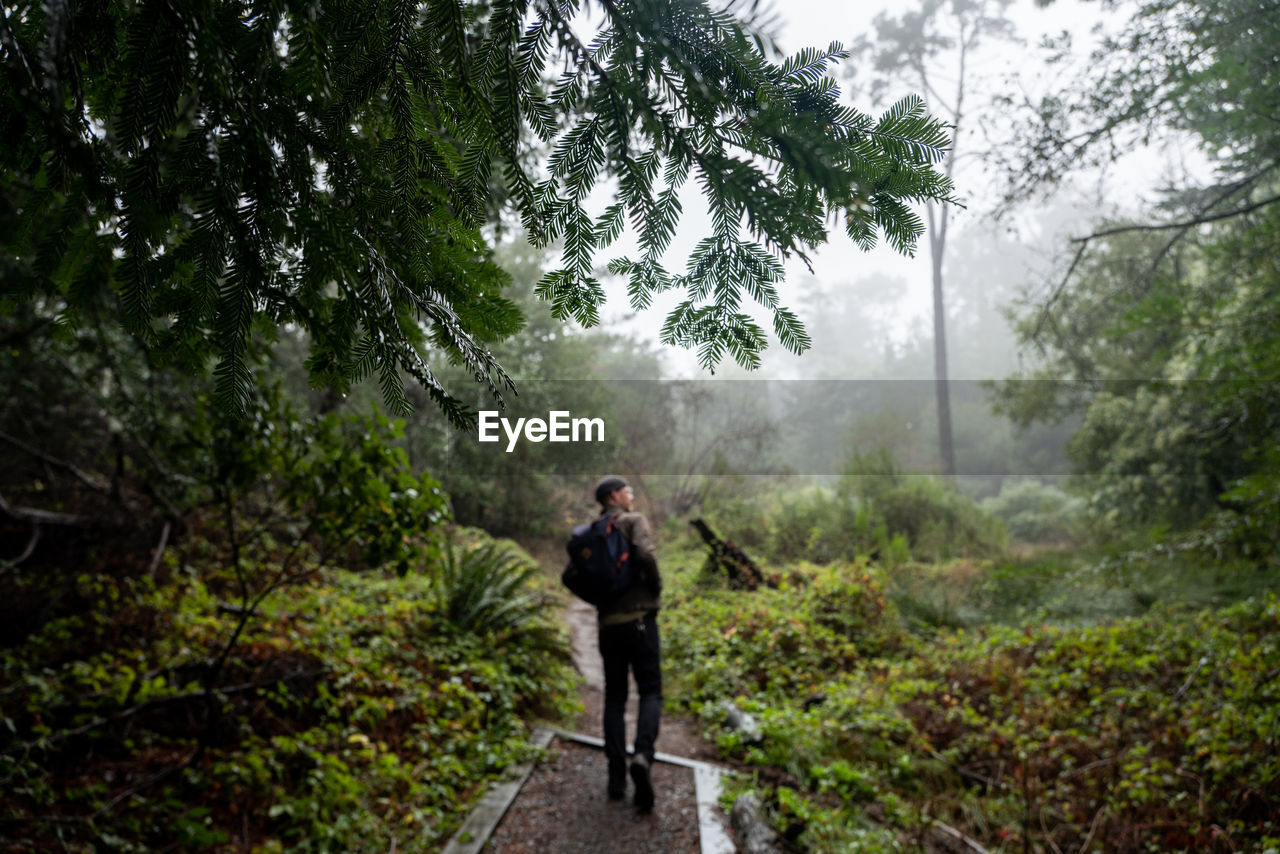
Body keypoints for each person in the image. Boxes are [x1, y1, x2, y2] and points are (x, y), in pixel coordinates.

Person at [587, 475, 662, 812]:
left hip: (608, 626)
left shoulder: (591, 531)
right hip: (640, 621)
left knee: (615, 696)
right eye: (628, 491)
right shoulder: (633, 521)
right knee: (650, 690)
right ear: (614, 495)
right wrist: (655, 590)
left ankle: (616, 775)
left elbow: (569, 576)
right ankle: (643, 756)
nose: (632, 496)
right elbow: (645, 554)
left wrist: (599, 601)